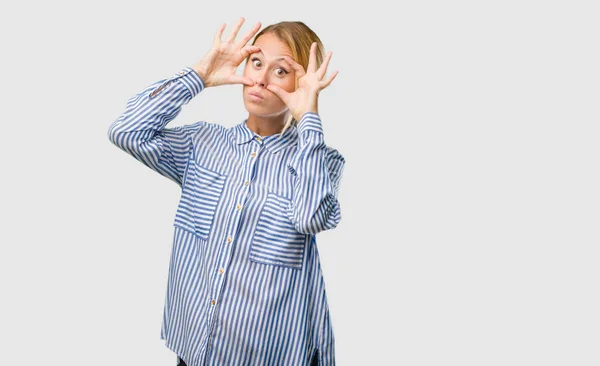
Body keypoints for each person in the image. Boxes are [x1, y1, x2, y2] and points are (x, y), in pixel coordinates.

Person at [107, 17, 345, 366]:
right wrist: (199, 75)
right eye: (257, 62)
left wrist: (308, 116)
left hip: (269, 356)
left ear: (303, 82)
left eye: (281, 71)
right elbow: (126, 131)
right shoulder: (202, 143)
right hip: (196, 349)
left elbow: (310, 217)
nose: (261, 79)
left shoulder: (319, 160)